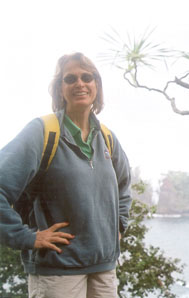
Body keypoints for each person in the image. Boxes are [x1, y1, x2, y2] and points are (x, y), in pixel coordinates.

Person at [0, 52, 132, 298]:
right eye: (70, 79)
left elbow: (124, 188)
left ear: (97, 86)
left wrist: (120, 225)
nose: (80, 83)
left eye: (87, 77)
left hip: (104, 269)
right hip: (57, 271)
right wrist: (25, 237)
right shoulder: (42, 132)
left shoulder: (107, 138)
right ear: (60, 90)